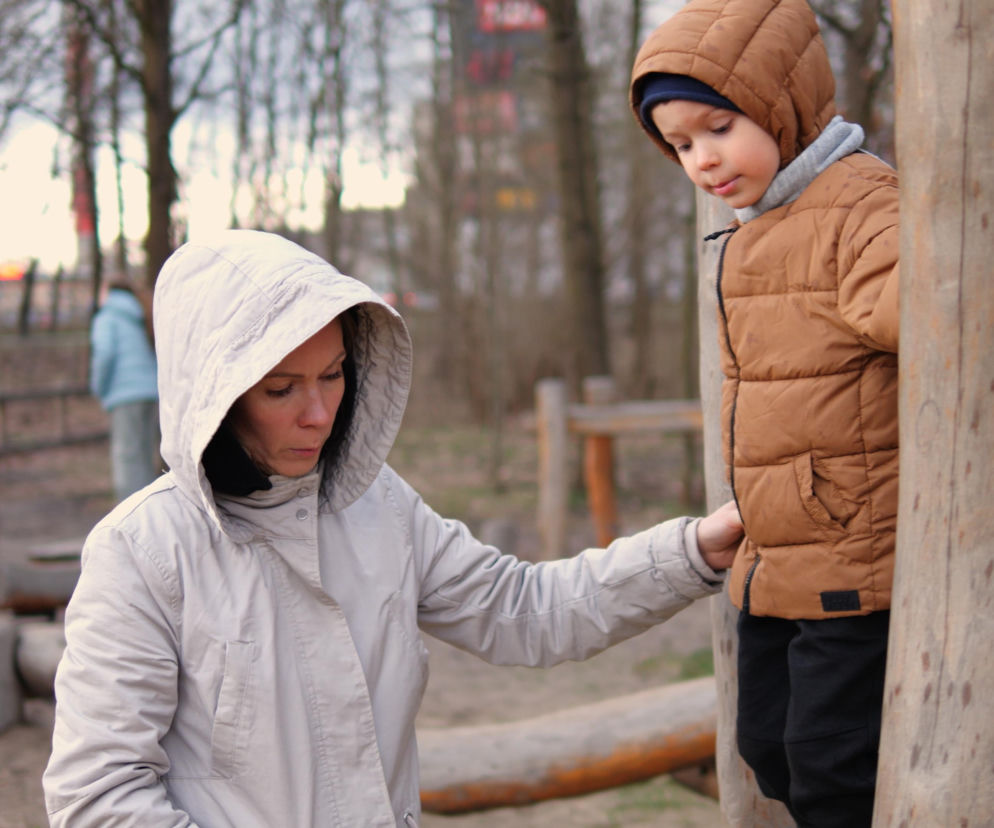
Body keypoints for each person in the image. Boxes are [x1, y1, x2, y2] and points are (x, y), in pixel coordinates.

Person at [44, 229, 744, 827]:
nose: (318, 413)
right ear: (213, 397)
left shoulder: (378, 505)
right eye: (281, 389)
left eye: (334, 374)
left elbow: (525, 610)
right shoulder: (140, 553)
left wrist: (687, 555)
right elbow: (97, 798)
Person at [629, 1, 899, 826]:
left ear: (782, 102)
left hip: (857, 559)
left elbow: (938, 317)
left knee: (832, 767)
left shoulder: (861, 207)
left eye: (718, 127)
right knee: (769, 748)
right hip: (774, 559)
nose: (702, 160)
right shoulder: (756, 222)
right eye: (679, 145)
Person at [89, 278, 160, 502]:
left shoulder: (107, 317)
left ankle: (131, 519)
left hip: (125, 394)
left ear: (108, 292)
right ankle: (153, 512)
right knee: (146, 456)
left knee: (128, 459)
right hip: (151, 392)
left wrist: (98, 387)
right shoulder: (140, 314)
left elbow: (104, 354)